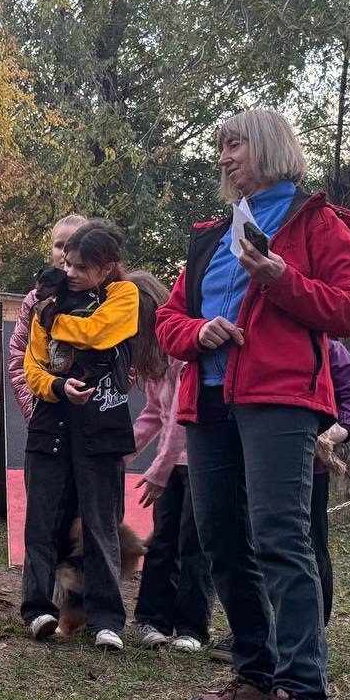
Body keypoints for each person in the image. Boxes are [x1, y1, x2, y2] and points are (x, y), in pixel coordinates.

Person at [156, 109, 350, 700]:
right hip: (210, 401)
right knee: (221, 537)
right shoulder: (212, 235)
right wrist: (199, 331)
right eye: (219, 147)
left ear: (270, 149)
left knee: (280, 539)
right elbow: (169, 320)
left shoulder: (317, 224)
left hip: (279, 400)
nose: (223, 158)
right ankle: (254, 672)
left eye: (234, 145)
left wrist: (282, 280)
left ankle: (303, 696)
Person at [19, 219, 140, 651]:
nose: (69, 271)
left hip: (102, 428)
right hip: (52, 424)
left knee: (101, 525)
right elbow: (33, 364)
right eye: (66, 262)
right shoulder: (46, 299)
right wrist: (55, 385)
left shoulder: (124, 296)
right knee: (42, 522)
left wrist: (53, 321)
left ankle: (106, 618)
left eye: (80, 266)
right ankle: (38, 609)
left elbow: (99, 332)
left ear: (106, 267)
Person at [208, 338, 350, 660]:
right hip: (249, 461)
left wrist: (328, 437)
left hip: (304, 465)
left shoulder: (329, 348)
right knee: (250, 543)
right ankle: (254, 629)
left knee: (305, 545)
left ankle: (308, 634)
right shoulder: (246, 344)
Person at [125, 271, 212, 653]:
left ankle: (192, 627)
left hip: (197, 461)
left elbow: (179, 419)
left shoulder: (179, 352)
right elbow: (153, 415)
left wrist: (158, 471)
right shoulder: (152, 357)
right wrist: (118, 453)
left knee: (194, 542)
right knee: (162, 540)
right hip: (170, 464)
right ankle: (151, 619)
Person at [7, 214, 87, 422]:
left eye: (72, 245)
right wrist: (31, 408)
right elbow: (18, 356)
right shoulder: (35, 300)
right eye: (59, 245)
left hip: (91, 406)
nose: (64, 253)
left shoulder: (99, 297)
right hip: (46, 408)